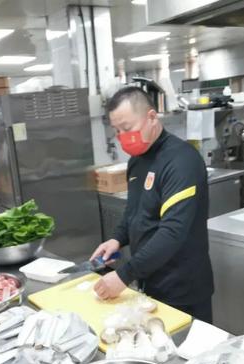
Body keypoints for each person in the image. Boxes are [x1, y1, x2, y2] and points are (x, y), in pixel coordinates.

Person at [91, 86, 214, 323]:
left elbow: (172, 232)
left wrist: (124, 275)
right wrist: (117, 239)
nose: (122, 137)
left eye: (127, 128)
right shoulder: (137, 162)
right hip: (150, 283)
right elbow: (134, 212)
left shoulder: (182, 161)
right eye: (117, 131)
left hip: (183, 289)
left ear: (151, 117)